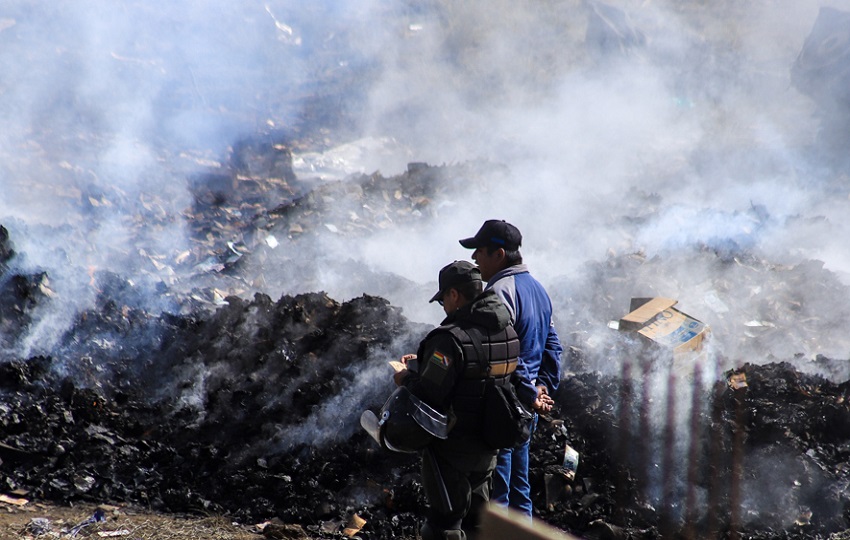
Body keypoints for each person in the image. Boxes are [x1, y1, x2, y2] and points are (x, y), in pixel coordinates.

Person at [394, 260, 521, 540]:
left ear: (454, 294)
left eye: (443, 300)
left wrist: (405, 378)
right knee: (476, 522)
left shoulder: (449, 339)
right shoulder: (507, 330)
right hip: (488, 448)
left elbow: (429, 394)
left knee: (444, 525)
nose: (443, 307)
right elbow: (481, 371)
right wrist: (426, 362)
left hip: (453, 450)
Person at [459, 219, 564, 519]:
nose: (475, 259)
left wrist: (530, 391)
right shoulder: (539, 290)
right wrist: (543, 385)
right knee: (521, 491)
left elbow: (502, 353)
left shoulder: (499, 292)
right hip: (528, 405)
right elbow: (553, 345)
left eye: (479, 251)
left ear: (499, 254)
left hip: (505, 403)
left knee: (500, 494)